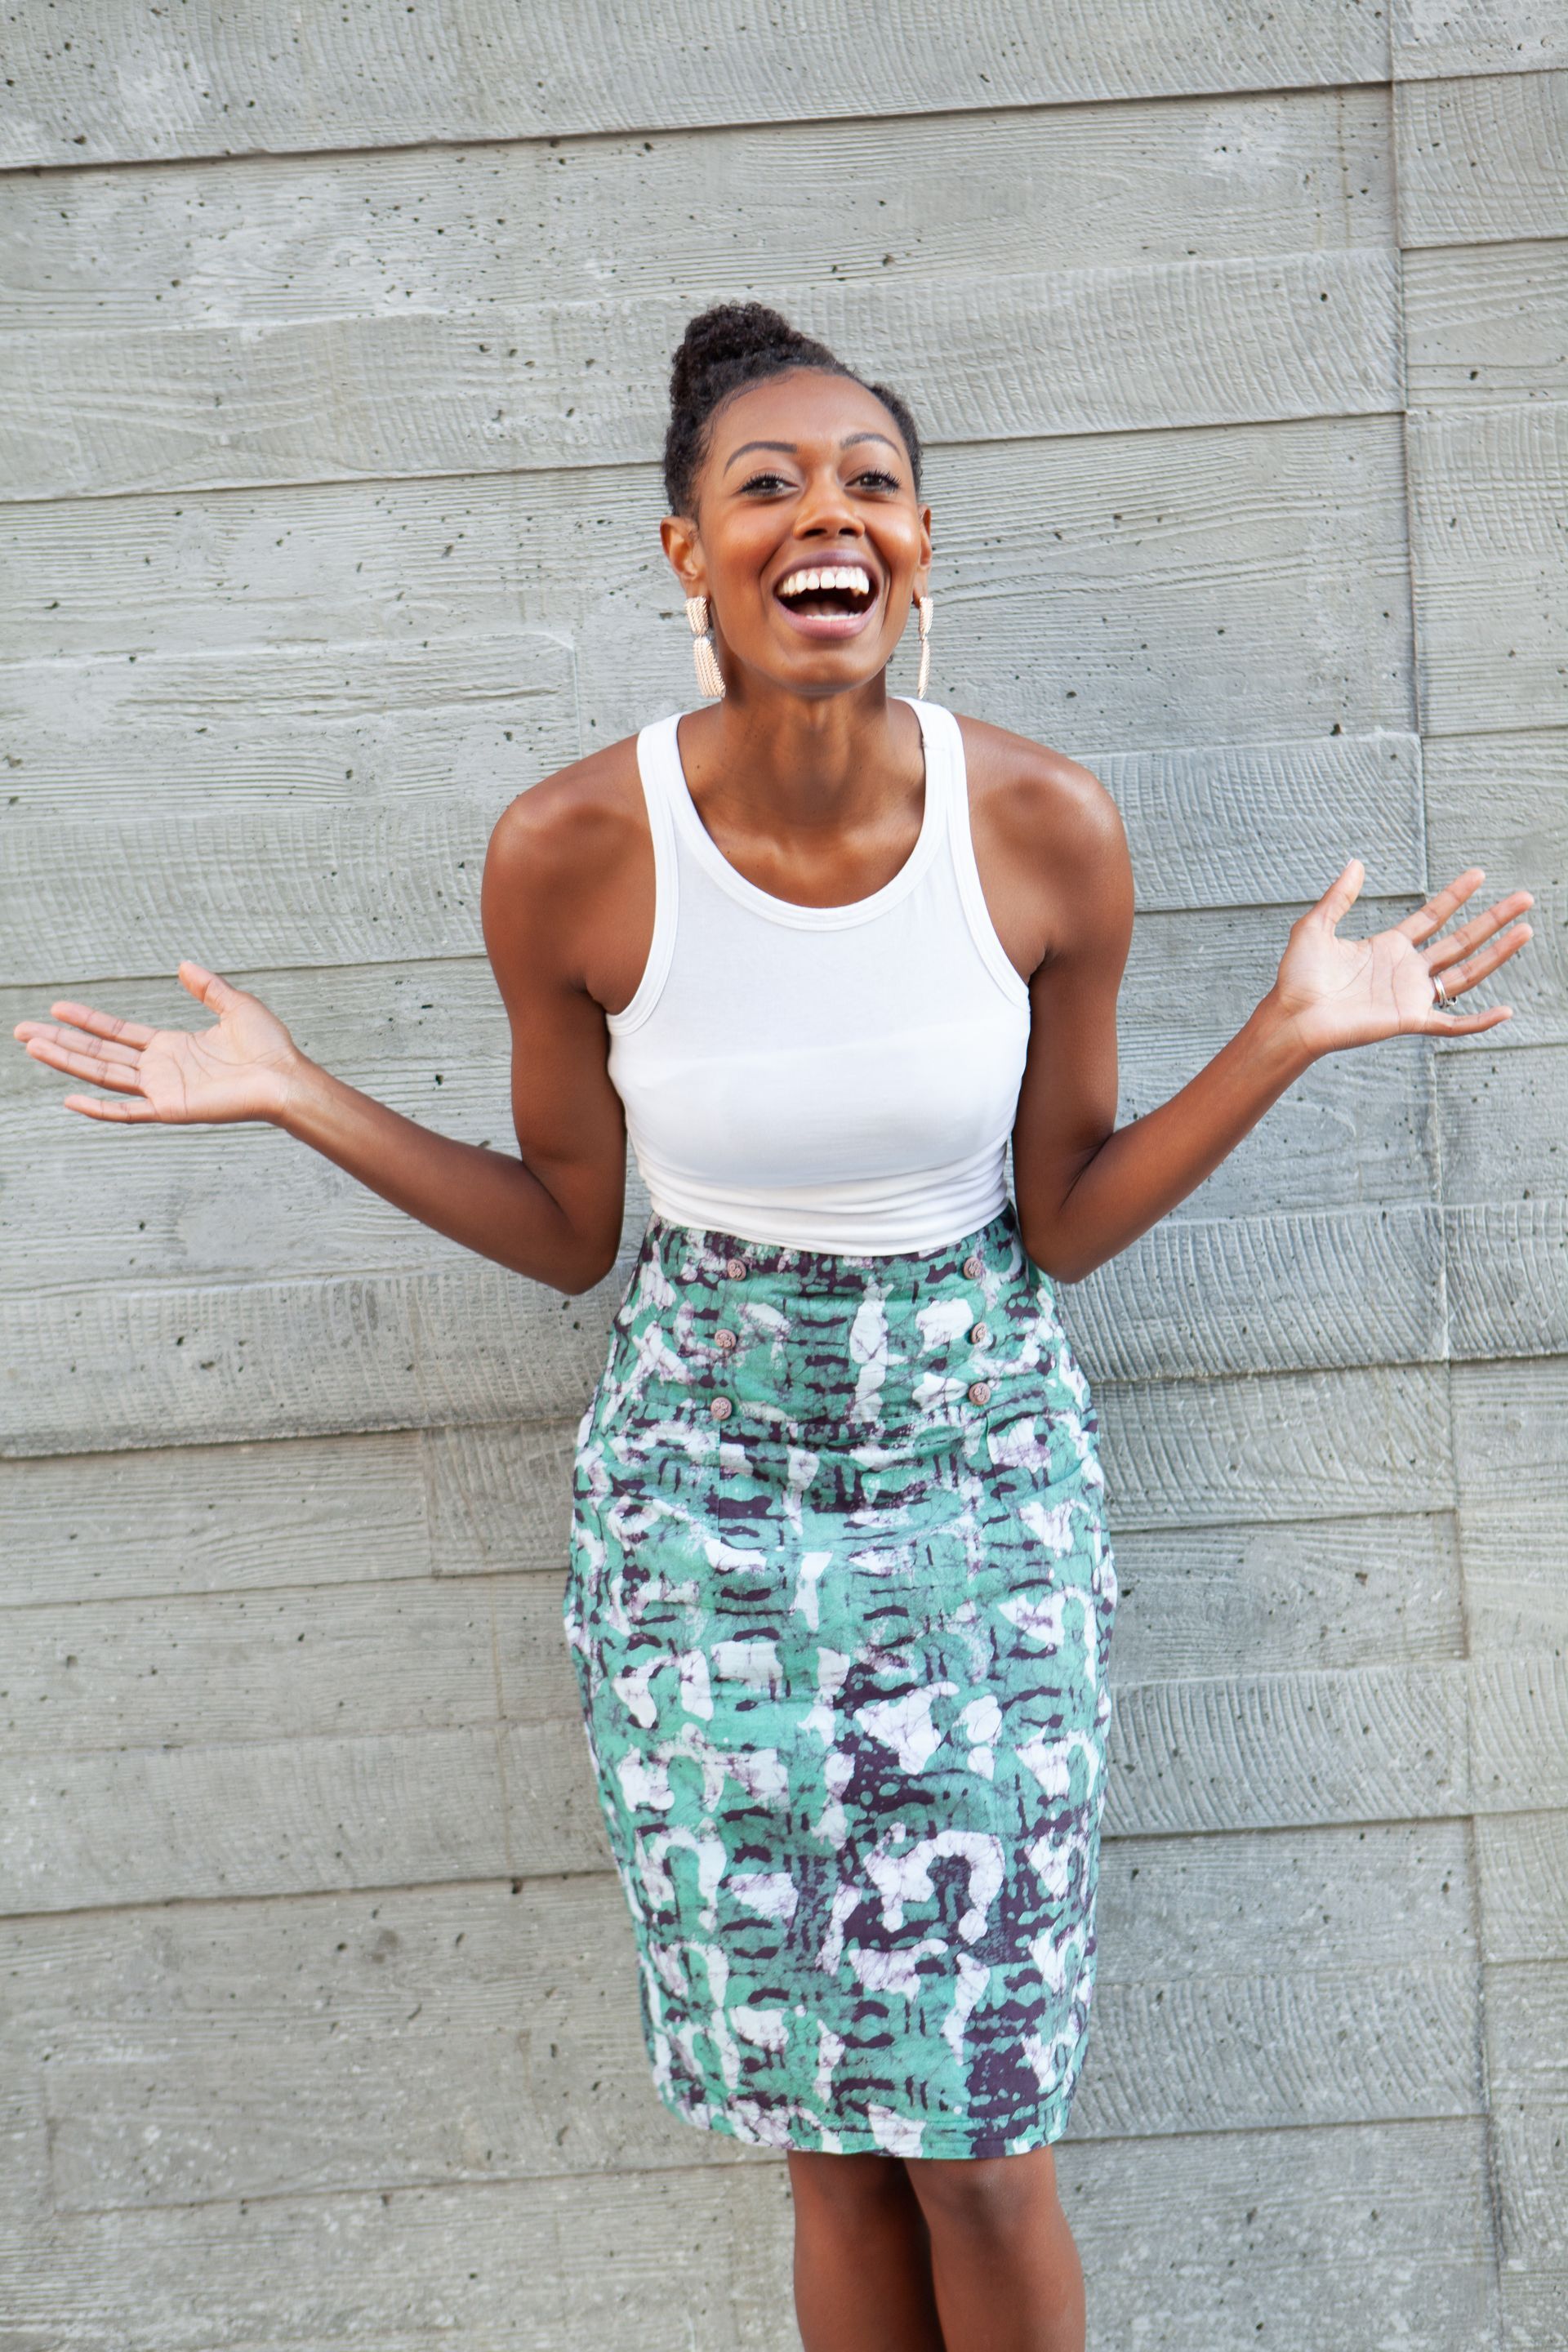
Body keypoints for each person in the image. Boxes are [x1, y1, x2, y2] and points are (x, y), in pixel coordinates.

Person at [13, 302, 1533, 2352]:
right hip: (703, 1519)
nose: (829, 516)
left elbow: (1066, 1226)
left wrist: (1280, 1039)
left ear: (919, 540)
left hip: (981, 1493)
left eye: (872, 483)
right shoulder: (570, 854)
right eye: (769, 484)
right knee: (825, 2119)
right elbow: (571, 1237)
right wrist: (298, 1096)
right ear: (685, 550)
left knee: (985, 2130)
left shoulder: (1045, 825)